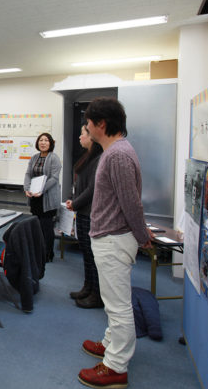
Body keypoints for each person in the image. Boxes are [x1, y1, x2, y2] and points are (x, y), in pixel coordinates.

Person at [78, 97, 153, 389]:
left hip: (114, 239)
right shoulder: (115, 151)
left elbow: (130, 203)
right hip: (110, 237)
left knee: (119, 306)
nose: (85, 127)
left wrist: (142, 236)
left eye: (88, 123)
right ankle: (111, 343)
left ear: (102, 125)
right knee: (113, 301)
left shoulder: (118, 155)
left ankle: (115, 366)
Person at [66, 124, 103, 309]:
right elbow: (80, 186)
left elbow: (92, 189)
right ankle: (87, 287)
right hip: (82, 212)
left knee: (92, 255)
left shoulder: (99, 159)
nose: (80, 137)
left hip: (89, 213)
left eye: (83, 134)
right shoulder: (88, 157)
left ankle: (96, 294)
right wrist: (73, 200)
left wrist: (76, 203)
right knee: (86, 254)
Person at [23, 132, 61, 262]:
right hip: (35, 198)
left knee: (46, 227)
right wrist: (27, 188)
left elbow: (54, 178)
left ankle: (47, 253)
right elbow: (28, 174)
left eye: (46, 140)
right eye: (41, 140)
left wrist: (41, 190)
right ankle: (38, 250)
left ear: (50, 143)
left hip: (48, 198)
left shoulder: (54, 158)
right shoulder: (34, 157)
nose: (43, 142)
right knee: (36, 226)